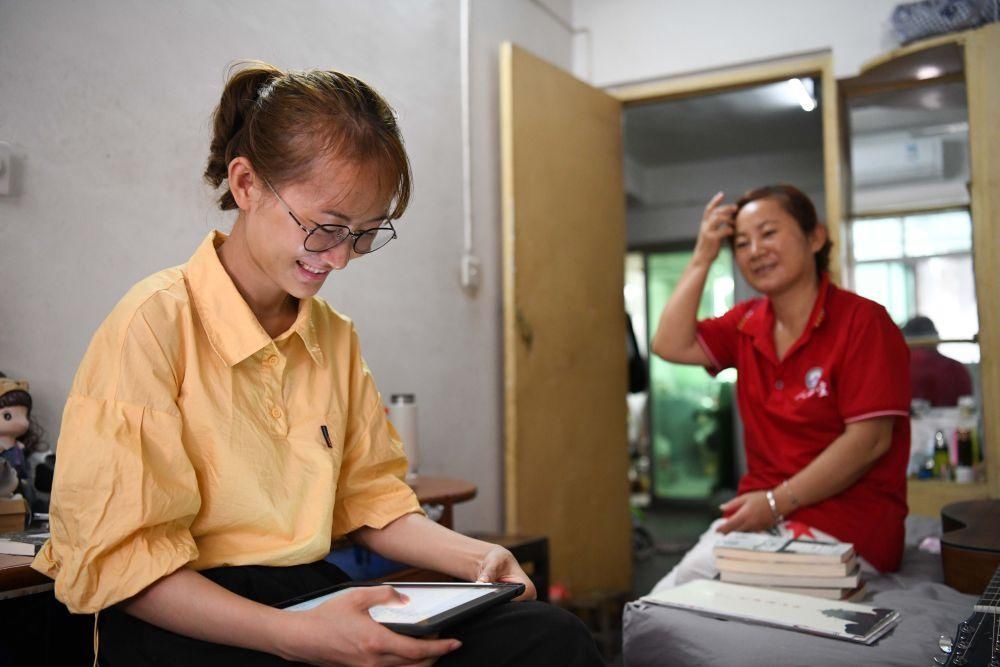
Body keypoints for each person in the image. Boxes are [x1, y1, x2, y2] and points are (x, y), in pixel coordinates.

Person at [33, 62, 601, 666]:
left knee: (548, 638)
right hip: (188, 616)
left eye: (363, 234)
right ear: (246, 184)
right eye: (325, 228)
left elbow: (370, 500)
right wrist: (300, 637)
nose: (340, 259)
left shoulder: (332, 336)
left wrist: (474, 558)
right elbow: (125, 565)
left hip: (310, 593)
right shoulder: (152, 324)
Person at [649, 185, 910, 590]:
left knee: (684, 604)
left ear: (815, 237)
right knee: (665, 601)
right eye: (741, 243)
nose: (754, 250)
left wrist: (775, 504)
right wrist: (703, 254)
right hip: (764, 518)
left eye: (769, 233)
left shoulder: (863, 322)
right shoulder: (745, 324)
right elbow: (669, 343)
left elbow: (870, 441)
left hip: (846, 525)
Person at [901, 315, 973, 407]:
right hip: (953, 420)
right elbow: (967, 407)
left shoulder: (898, 368)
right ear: (936, 336)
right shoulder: (956, 368)